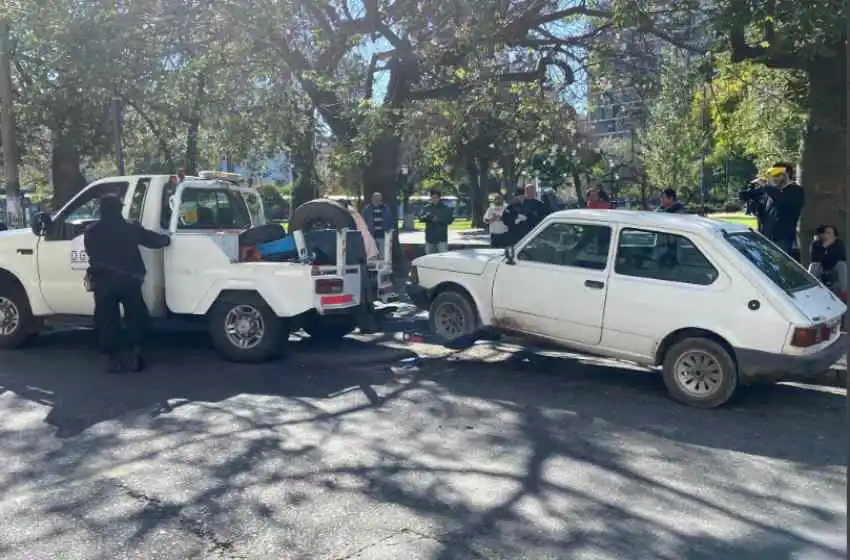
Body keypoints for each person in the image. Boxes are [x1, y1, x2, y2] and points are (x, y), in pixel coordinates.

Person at [84, 194, 171, 373]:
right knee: (135, 317)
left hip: (103, 281)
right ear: (119, 209)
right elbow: (153, 240)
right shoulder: (130, 229)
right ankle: (135, 355)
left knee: (107, 320)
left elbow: (91, 252)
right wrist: (167, 239)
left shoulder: (91, 231)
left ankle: (112, 360)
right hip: (129, 280)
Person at [739, 162, 804, 254]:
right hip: (766, 239)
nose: (774, 178)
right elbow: (744, 196)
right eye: (773, 175)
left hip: (783, 241)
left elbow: (783, 202)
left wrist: (766, 186)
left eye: (778, 175)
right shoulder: (770, 192)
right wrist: (751, 189)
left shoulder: (796, 191)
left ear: (786, 175)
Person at [809, 225, 847, 301]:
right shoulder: (815, 244)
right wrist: (824, 247)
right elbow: (815, 259)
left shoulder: (838, 243)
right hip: (820, 266)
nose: (827, 235)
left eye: (829, 233)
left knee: (842, 265)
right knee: (814, 265)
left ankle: (843, 291)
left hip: (833, 265)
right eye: (825, 233)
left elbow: (842, 257)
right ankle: (811, 288)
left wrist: (828, 253)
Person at [419, 189, 454, 254]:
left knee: (443, 257)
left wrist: (438, 219)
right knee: (429, 258)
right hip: (430, 238)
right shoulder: (427, 207)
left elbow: (450, 220)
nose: (434, 199)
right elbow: (420, 218)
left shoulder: (445, 208)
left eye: (436, 197)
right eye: (432, 197)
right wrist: (426, 217)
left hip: (441, 238)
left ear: (439, 198)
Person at [362, 191, 395, 258]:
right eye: (375, 198)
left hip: (382, 235)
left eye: (379, 198)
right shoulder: (367, 209)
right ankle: (373, 267)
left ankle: (382, 267)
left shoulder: (386, 208)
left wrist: (390, 229)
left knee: (383, 254)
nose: (377, 200)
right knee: (372, 254)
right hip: (371, 236)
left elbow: (391, 220)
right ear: (372, 199)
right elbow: (363, 222)